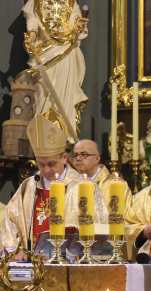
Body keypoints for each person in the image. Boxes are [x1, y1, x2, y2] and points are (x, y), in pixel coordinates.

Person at [0, 114, 107, 255]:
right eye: (41, 164)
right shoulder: (28, 186)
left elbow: (100, 226)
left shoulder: (84, 187)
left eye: (51, 164)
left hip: (71, 266)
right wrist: (15, 251)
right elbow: (9, 222)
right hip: (31, 266)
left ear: (64, 158)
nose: (45, 170)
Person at [22, 0, 88, 139]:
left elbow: (76, 24)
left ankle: (65, 137)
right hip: (44, 54)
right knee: (42, 94)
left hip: (66, 52)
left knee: (65, 96)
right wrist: (31, 37)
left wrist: (78, 27)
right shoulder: (36, 2)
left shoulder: (71, 3)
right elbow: (32, 22)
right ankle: (42, 138)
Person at [72, 139, 133, 215]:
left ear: (97, 158)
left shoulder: (116, 184)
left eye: (84, 155)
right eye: (75, 155)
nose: (78, 158)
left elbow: (126, 217)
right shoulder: (71, 184)